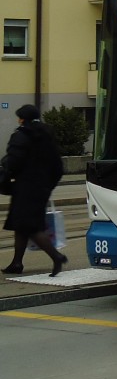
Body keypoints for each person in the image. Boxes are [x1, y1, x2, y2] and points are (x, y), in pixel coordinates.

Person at [1, 104, 67, 276]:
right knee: (21, 225)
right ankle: (16, 263)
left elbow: (12, 163)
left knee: (29, 226)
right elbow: (58, 167)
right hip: (41, 188)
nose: (18, 120)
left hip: (24, 188)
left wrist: (5, 178)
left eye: (19, 117)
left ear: (23, 119)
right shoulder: (47, 136)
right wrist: (48, 186)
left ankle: (56, 256)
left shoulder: (21, 135)